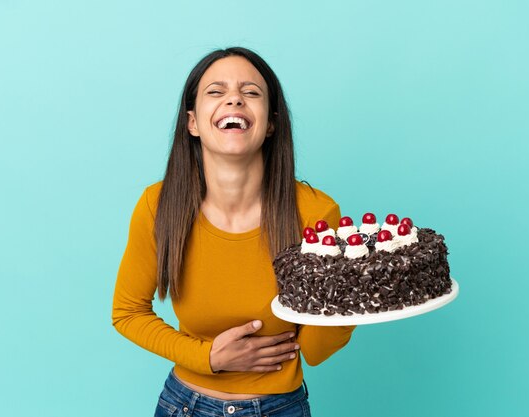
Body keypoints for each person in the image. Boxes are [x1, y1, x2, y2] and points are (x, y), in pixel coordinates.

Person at [112, 46, 356, 417]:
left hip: (281, 407)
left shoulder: (317, 214)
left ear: (271, 123)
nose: (234, 100)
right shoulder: (158, 205)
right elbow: (127, 312)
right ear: (192, 122)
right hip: (184, 406)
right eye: (216, 91)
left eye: (251, 92)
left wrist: (348, 298)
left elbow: (317, 352)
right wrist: (207, 356)